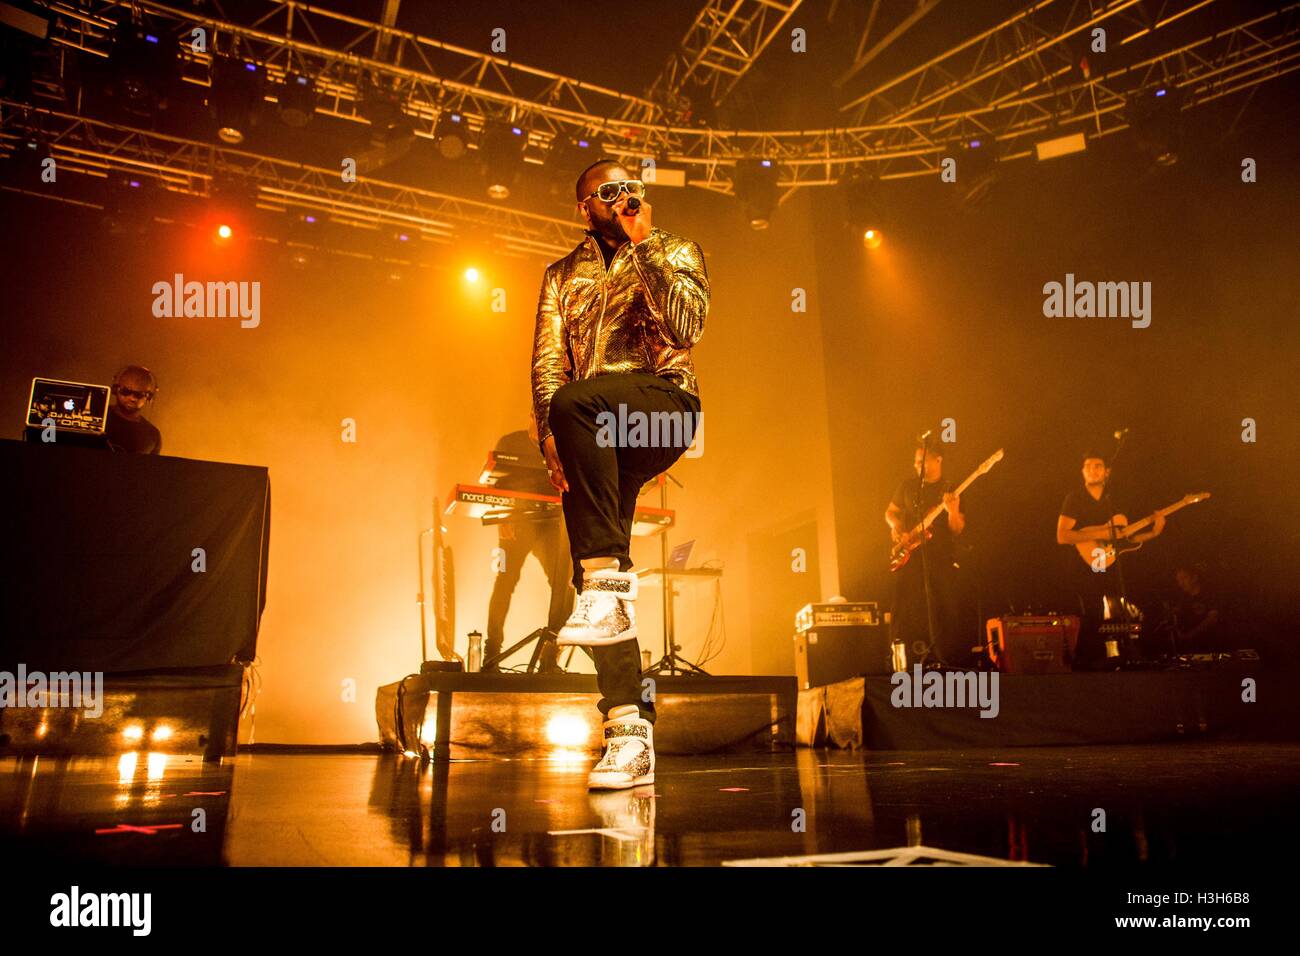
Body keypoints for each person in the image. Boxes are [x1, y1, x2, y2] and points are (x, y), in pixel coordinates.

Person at [532, 157, 707, 789]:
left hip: (663, 408)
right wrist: (550, 438)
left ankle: (606, 593)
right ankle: (629, 731)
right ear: (585, 206)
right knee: (594, 568)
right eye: (610, 191)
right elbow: (548, 361)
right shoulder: (560, 276)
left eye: (632, 187)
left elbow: (689, 326)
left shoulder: (674, 248)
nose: (624, 195)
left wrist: (647, 245)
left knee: (578, 398)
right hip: (593, 433)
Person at [483, 410, 574, 671]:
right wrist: (503, 520)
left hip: (549, 526)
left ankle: (550, 655)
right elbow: (494, 483)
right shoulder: (510, 442)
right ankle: (491, 652)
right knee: (505, 582)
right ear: (531, 416)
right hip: (517, 521)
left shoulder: (557, 447)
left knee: (563, 584)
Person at [1056, 451, 1164, 667]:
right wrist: (1100, 534)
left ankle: (1144, 654)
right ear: (1082, 472)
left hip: (1110, 561)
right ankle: (1086, 661)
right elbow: (1062, 535)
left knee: (1138, 601)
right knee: (1092, 610)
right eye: (1088, 466)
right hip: (1084, 563)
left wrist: (1154, 532)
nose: (1092, 470)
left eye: (1097, 466)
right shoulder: (1075, 498)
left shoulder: (1114, 499)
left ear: (1107, 472)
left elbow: (1127, 536)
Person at [884, 437, 967, 666]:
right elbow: (890, 512)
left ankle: (948, 660)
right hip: (910, 556)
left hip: (939, 557)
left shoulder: (950, 488)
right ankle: (901, 660)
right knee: (902, 605)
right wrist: (898, 528)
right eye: (915, 461)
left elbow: (957, 528)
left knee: (944, 606)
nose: (916, 466)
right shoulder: (908, 486)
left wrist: (953, 510)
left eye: (921, 461)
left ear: (938, 460)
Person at [104, 365, 162, 454]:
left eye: (139, 394)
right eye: (126, 392)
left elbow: (151, 467)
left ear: (149, 397)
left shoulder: (153, 435)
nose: (132, 398)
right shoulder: (99, 415)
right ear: (116, 390)